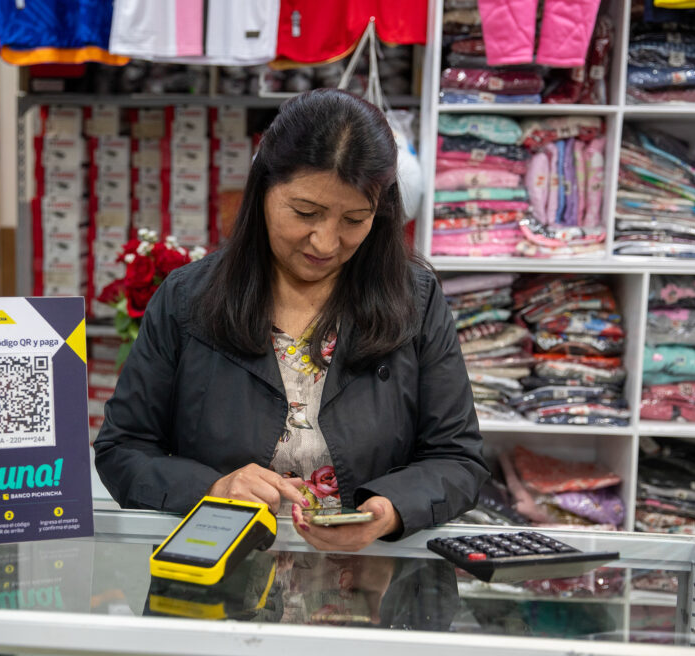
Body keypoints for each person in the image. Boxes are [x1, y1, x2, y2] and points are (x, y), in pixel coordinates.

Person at [94, 88, 487, 551]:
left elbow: (458, 460)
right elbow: (122, 451)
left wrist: (389, 510)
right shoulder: (186, 300)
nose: (325, 242)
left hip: (370, 581)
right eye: (305, 212)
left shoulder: (415, 301)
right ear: (263, 188)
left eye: (355, 219)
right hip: (219, 571)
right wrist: (213, 490)